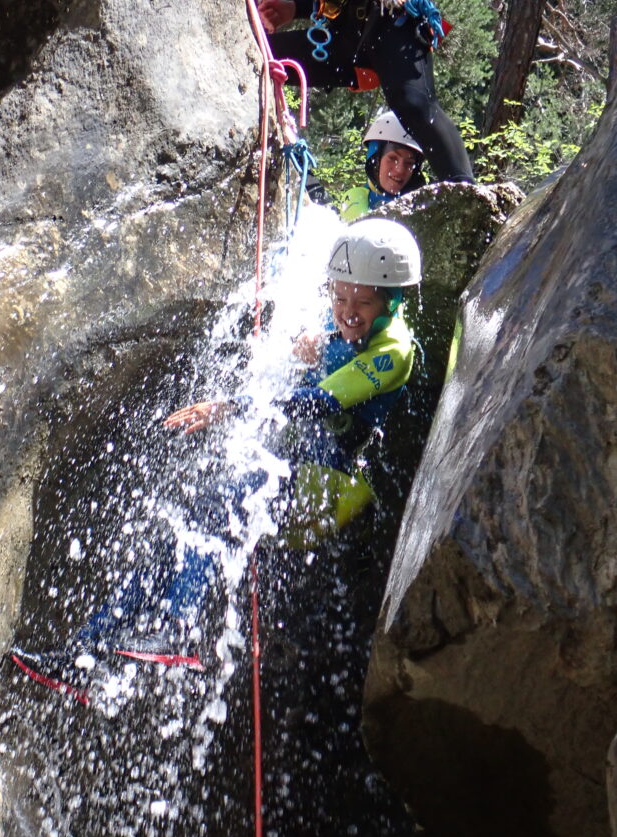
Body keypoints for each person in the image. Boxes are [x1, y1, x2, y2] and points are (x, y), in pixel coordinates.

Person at [153, 216, 422, 655]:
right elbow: (315, 343)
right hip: (299, 469)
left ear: (390, 305)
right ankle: (96, 646)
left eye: (365, 303)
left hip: (336, 487)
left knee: (213, 508)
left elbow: (317, 402)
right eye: (340, 297)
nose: (349, 311)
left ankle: (177, 634)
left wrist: (228, 407)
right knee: (176, 530)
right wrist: (309, 337)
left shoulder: (394, 351)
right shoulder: (344, 327)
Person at [261, 0, 474, 184]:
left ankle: (464, 190)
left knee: (414, 104)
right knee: (263, 55)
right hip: (348, 34)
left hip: (393, 14)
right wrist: (297, 8)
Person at [340, 110, 426, 221]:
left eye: (409, 163)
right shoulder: (356, 199)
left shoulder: (421, 203)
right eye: (393, 158)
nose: (400, 170)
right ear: (375, 160)